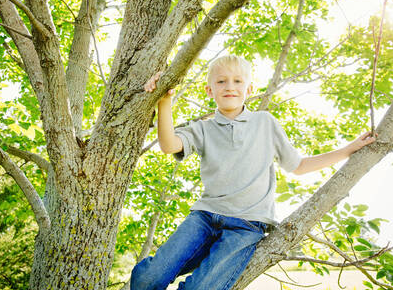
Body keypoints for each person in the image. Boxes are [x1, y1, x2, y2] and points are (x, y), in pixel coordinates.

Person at [130, 55, 376, 290]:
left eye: (238, 81)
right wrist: (164, 101)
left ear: (248, 90)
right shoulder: (203, 129)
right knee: (147, 280)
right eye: (221, 81)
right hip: (204, 218)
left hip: (246, 226)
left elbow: (298, 165)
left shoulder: (265, 123)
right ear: (209, 90)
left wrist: (348, 150)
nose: (230, 87)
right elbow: (169, 145)